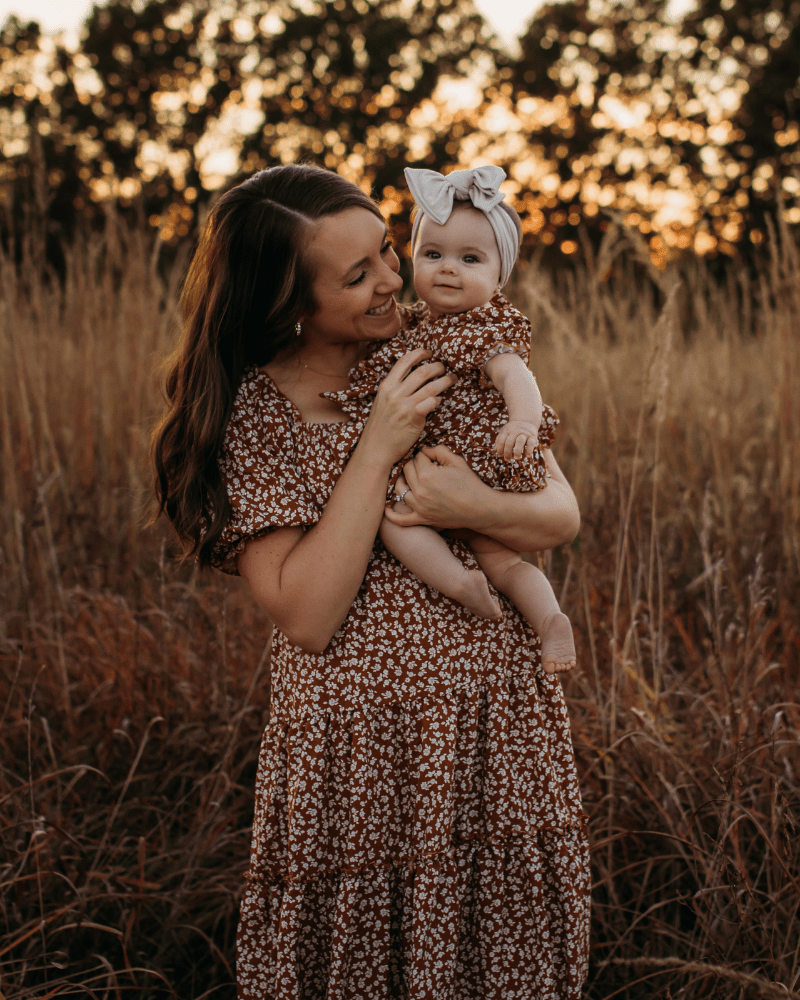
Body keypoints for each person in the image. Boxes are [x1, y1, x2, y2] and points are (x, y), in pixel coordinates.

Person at [153, 163, 590, 999]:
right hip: (359, 754)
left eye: (389, 251)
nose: (394, 279)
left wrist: (471, 504)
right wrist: (378, 444)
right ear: (288, 303)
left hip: (491, 726)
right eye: (357, 275)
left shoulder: (435, 345)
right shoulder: (258, 411)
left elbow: (559, 515)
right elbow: (307, 614)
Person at [329, 165, 576, 674]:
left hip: (484, 455)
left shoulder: (484, 327)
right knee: (418, 527)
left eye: (469, 259)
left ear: (499, 277)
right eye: (432, 254)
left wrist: (523, 425)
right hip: (437, 465)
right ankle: (481, 590)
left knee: (404, 521)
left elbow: (517, 377)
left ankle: (538, 613)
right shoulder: (413, 324)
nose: (447, 269)